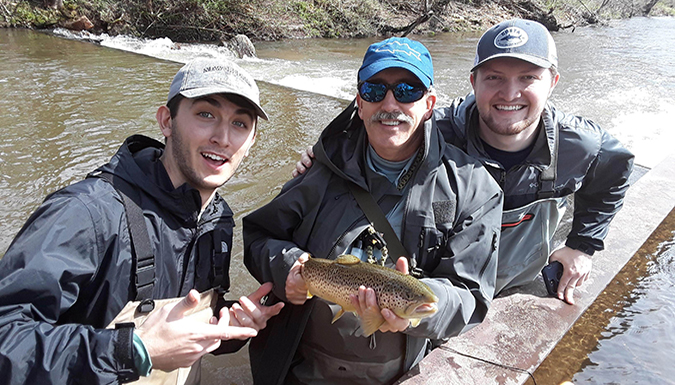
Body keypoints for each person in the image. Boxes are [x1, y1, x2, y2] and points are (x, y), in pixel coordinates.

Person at [295, 19, 634, 305]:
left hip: (516, 287)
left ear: (552, 82)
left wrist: (582, 246)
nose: (510, 93)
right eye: (494, 77)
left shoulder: (582, 143)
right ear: (473, 82)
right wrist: (321, 159)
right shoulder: (437, 128)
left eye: (528, 78)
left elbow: (616, 173)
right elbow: (381, 121)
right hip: (446, 289)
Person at [0, 58, 284, 384]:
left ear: (250, 144)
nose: (222, 137)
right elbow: (7, 336)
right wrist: (133, 349)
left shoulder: (218, 221)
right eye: (206, 114)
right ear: (167, 121)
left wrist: (227, 321)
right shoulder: (87, 213)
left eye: (240, 124)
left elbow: (180, 326)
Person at [243, 37, 503, 384]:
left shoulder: (474, 189)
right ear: (360, 103)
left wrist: (418, 311)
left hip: (400, 374)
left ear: (429, 104)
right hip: (302, 369)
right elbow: (259, 238)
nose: (390, 103)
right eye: (375, 89)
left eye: (407, 90)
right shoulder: (321, 170)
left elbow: (470, 295)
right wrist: (287, 270)